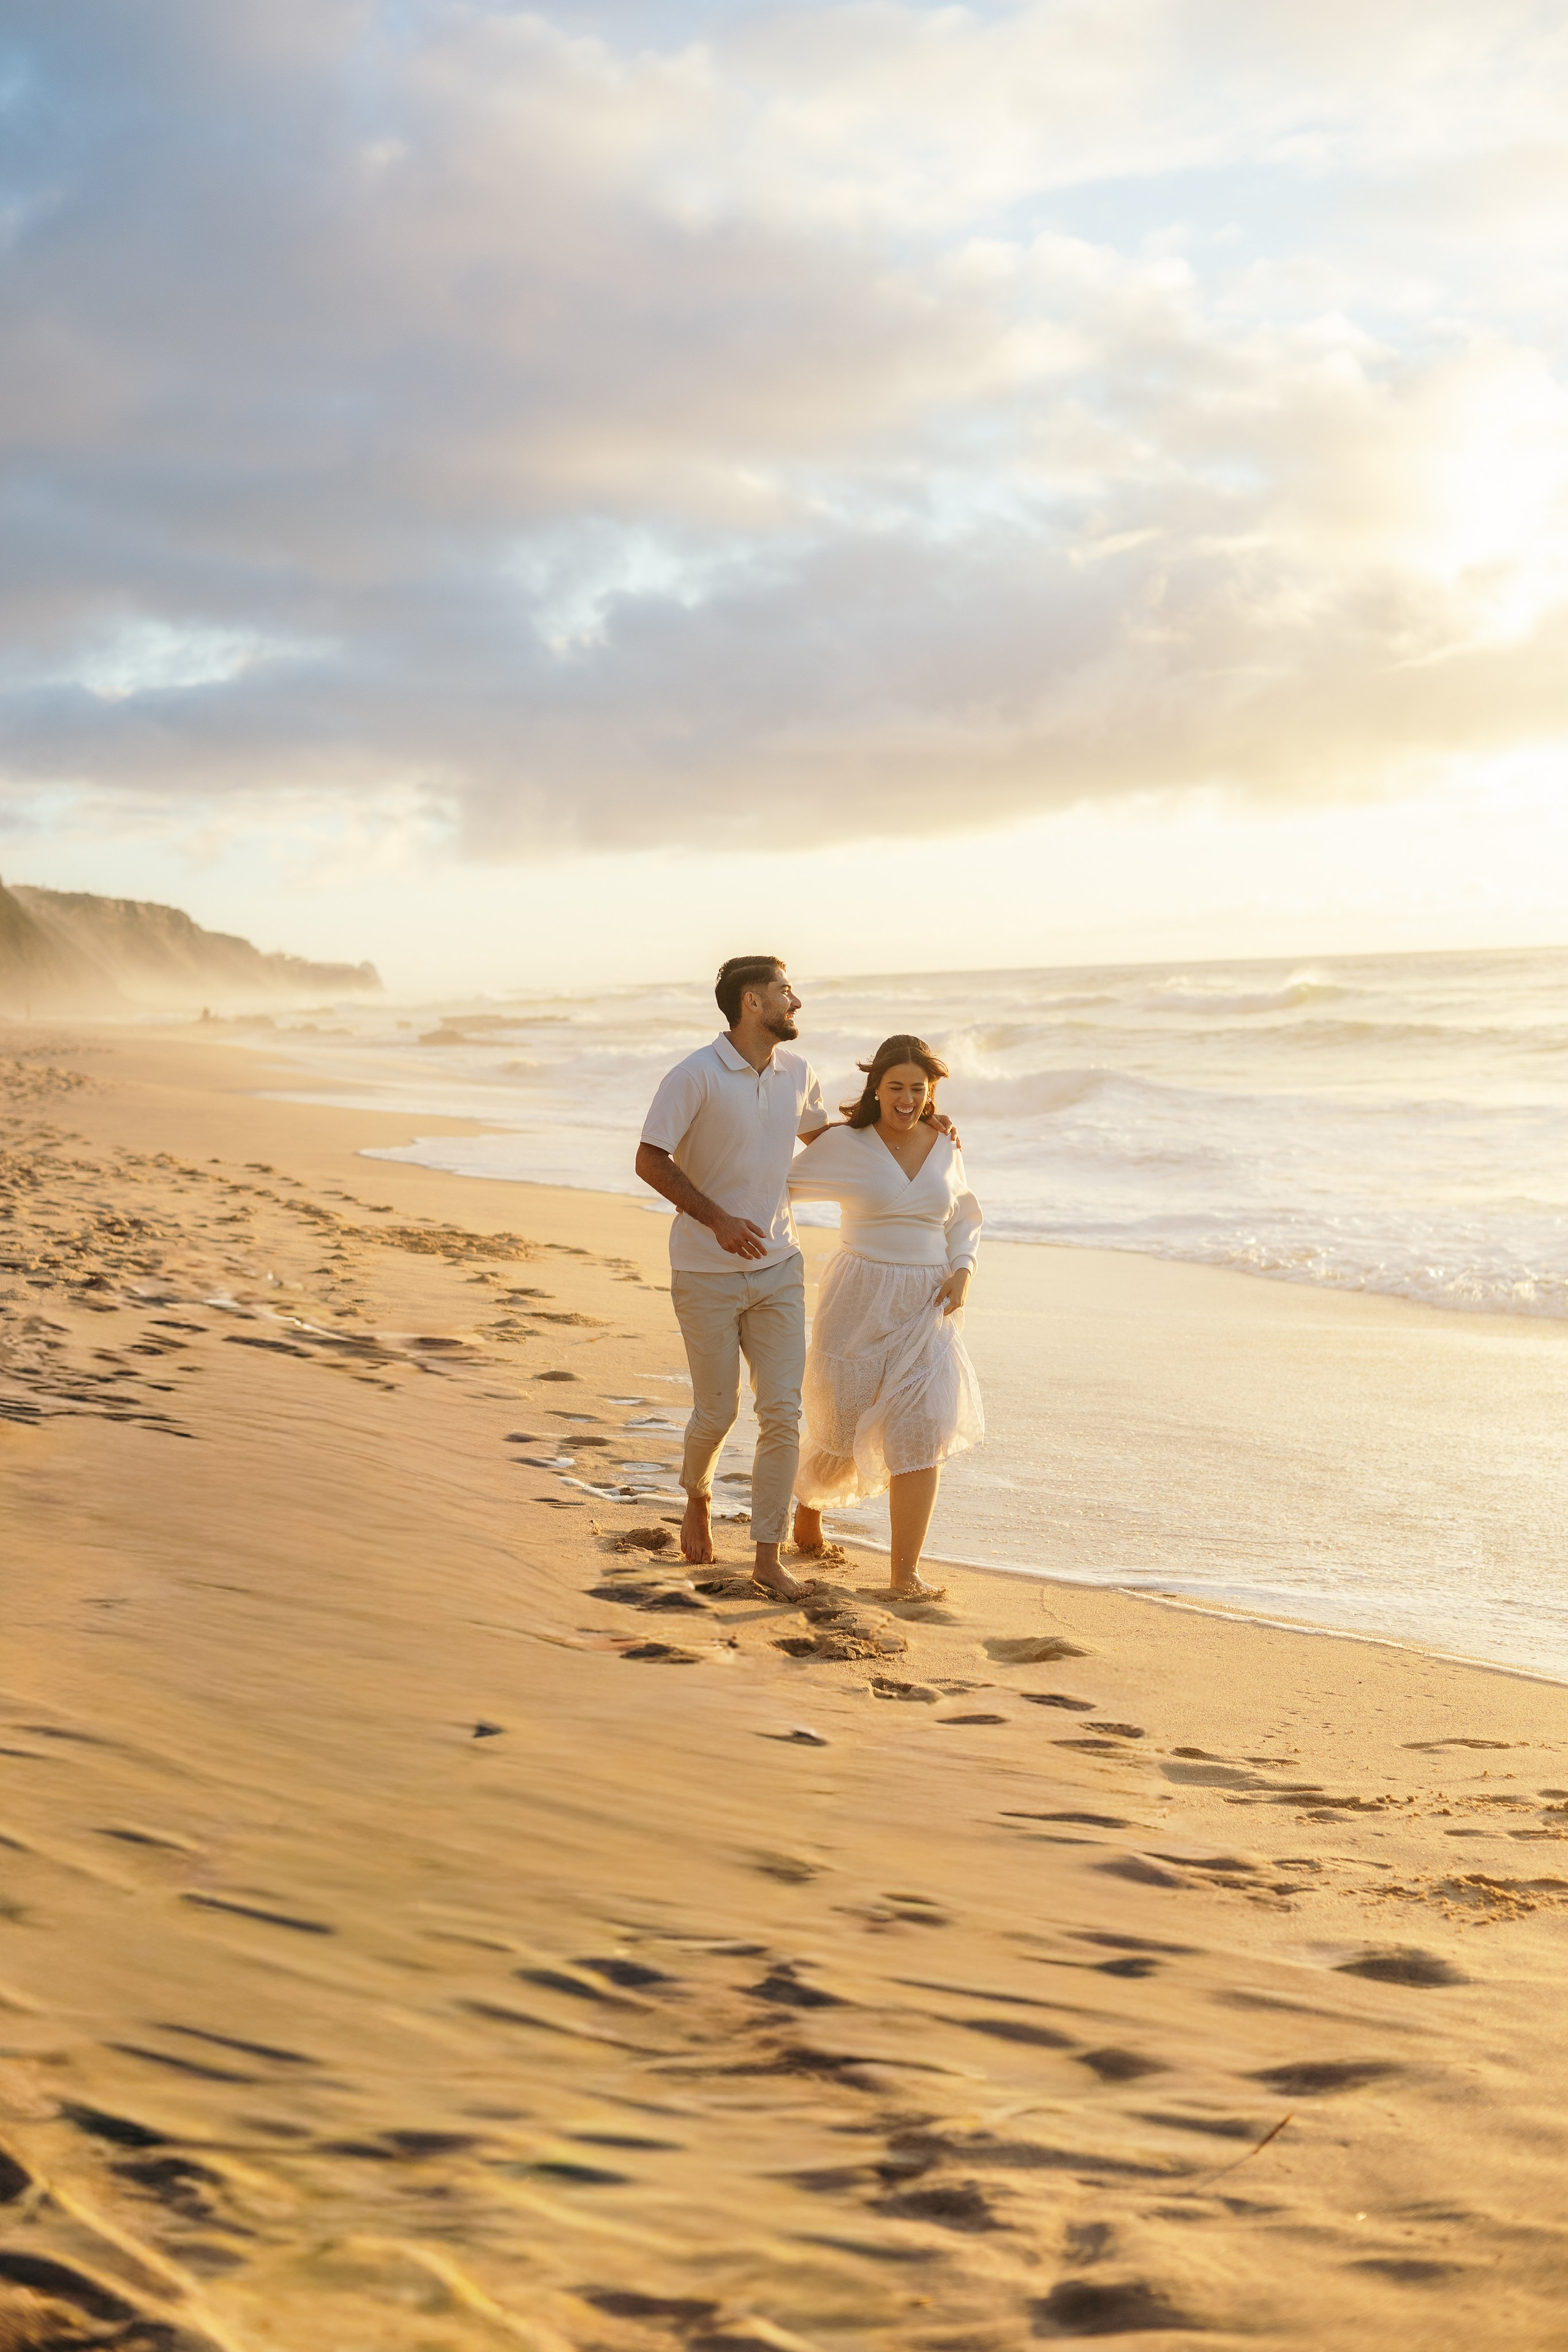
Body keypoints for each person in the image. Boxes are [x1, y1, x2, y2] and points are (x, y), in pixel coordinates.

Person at [635, 956, 827, 1601]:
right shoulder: (694, 1076)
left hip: (781, 1268)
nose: (794, 1001)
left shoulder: (799, 1072)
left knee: (782, 1413)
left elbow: (831, 1143)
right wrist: (716, 1219)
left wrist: (920, 1122)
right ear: (751, 1002)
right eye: (784, 991)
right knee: (716, 1412)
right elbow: (648, 1157)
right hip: (704, 1272)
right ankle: (696, 1495)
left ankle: (767, 1557)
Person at [786, 1034, 983, 1602]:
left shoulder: (945, 1145)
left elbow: (965, 1215)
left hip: (929, 1300)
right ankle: (808, 1506)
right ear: (876, 1088)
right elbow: (779, 1188)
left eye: (918, 1089)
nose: (906, 1099)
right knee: (842, 1424)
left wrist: (964, 1269)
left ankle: (904, 1575)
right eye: (895, 1087)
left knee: (924, 1428)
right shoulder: (847, 1144)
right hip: (860, 1294)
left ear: (931, 1093)